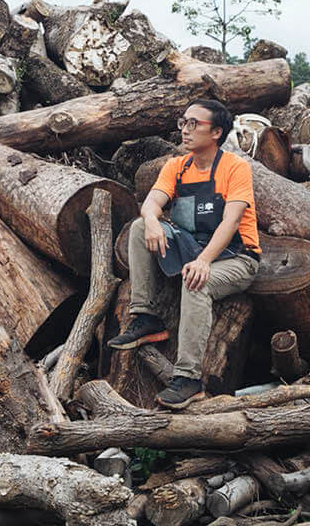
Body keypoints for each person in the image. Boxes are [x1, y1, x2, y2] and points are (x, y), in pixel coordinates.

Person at [107, 99, 260, 408]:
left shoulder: (235, 168)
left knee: (197, 282)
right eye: (183, 123)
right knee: (138, 228)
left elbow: (231, 222)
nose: (185, 130)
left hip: (236, 257)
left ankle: (189, 379)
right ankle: (146, 317)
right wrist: (151, 220)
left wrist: (203, 262)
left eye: (194, 124)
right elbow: (151, 203)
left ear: (216, 132)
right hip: (193, 247)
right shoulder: (178, 166)